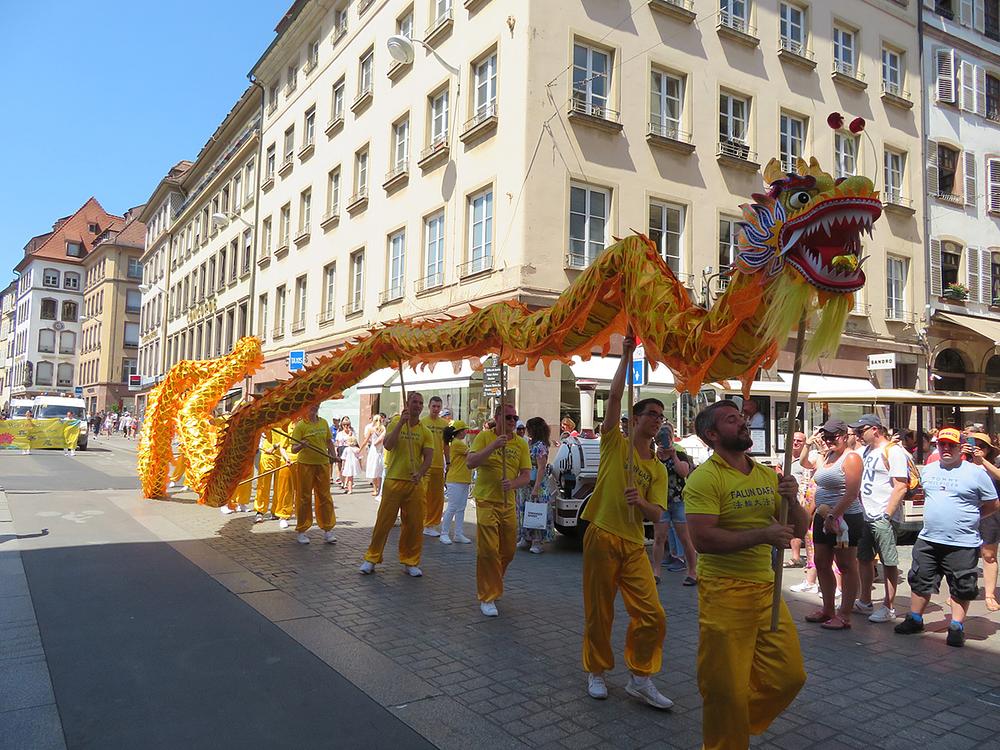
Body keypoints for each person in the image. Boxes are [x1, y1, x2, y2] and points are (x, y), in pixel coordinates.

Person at [684, 400, 808, 749]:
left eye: (742, 418)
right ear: (712, 434)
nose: (742, 423)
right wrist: (762, 535)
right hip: (722, 592)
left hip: (766, 589)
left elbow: (799, 527)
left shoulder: (768, 474)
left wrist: (794, 500)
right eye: (731, 420)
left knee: (789, 677)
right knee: (724, 688)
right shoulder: (704, 478)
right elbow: (703, 540)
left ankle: (738, 718)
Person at [581, 337, 672, 710]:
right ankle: (596, 670)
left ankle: (640, 677)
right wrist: (625, 356)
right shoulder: (613, 445)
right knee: (599, 611)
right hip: (601, 533)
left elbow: (659, 515)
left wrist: (644, 502)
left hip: (634, 543)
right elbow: (615, 397)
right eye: (651, 414)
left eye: (661, 416)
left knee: (652, 615)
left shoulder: (658, 468)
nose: (657, 420)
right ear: (636, 419)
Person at [895, 428, 999, 646]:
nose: (946, 448)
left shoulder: (976, 472)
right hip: (929, 538)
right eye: (942, 444)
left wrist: (973, 517)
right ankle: (915, 619)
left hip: (962, 541)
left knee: (962, 584)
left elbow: (993, 503)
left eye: (951, 445)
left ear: (961, 447)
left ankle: (956, 626)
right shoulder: (930, 469)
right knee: (920, 579)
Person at [467, 401, 532, 616]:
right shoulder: (484, 437)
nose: (512, 421)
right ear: (497, 418)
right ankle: (487, 595)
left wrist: (512, 484)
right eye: (508, 417)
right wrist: (493, 446)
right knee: (487, 551)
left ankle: (494, 580)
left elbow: (525, 475)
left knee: (508, 551)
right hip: (486, 500)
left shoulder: (521, 444)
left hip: (507, 503)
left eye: (514, 417)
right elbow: (471, 462)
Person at [360, 392, 433, 576]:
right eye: (414, 402)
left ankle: (410, 561)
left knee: (414, 525)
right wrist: (401, 423)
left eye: (420, 403)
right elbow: (388, 445)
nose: (417, 405)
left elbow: (428, 457)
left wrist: (421, 473)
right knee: (384, 522)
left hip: (414, 483)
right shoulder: (395, 422)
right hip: (393, 480)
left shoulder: (425, 431)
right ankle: (372, 558)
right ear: (408, 404)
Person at [802, 419, 863, 630]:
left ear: (844, 436)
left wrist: (833, 517)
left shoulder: (852, 458)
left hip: (845, 519)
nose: (828, 441)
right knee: (821, 561)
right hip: (823, 516)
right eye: (825, 437)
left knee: (846, 566)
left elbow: (852, 494)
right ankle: (827, 608)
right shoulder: (827, 456)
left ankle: (844, 614)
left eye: (833, 437)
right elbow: (813, 478)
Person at [851, 414, 908, 624]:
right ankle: (865, 600)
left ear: (875, 429)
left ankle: (888, 606)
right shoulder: (864, 451)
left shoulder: (893, 451)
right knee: (864, 558)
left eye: (861, 430)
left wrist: (886, 515)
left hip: (883, 515)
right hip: (865, 514)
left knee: (888, 561)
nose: (858, 434)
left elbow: (901, 485)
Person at [651, 423, 697, 586]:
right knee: (659, 538)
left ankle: (692, 572)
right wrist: (658, 456)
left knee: (685, 538)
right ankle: (656, 572)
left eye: (667, 439)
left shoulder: (679, 454)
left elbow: (683, 472)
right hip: (661, 503)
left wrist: (673, 456)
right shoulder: (653, 457)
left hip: (678, 501)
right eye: (660, 440)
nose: (664, 443)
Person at [290, 404, 337, 545]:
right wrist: (301, 445)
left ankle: (328, 529)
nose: (314, 407)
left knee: (325, 496)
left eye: (316, 405)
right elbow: (293, 449)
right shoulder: (300, 426)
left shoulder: (323, 422)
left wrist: (333, 456)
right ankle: (302, 530)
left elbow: (329, 442)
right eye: (312, 405)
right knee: (304, 497)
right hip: (305, 465)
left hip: (322, 463)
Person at [967, 433, 1000, 612]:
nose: (978, 448)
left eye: (983, 446)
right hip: (967, 512)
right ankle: (959, 591)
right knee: (964, 553)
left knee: (989, 554)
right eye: (975, 445)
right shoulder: (963, 463)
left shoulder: (993, 464)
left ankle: (989, 594)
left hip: (990, 514)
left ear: (989, 450)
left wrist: (982, 462)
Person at [515, 417, 556, 554]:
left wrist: (536, 487)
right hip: (526, 483)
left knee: (536, 511)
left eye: (528, 428)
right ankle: (525, 537)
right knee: (525, 510)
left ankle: (536, 541)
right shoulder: (529, 443)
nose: (526, 431)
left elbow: (541, 468)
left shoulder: (540, 446)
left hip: (537, 484)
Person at [254, 421, 295, 526]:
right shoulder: (270, 415)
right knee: (263, 483)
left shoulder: (290, 419)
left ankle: (276, 510)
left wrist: (276, 446)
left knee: (280, 486)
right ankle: (260, 511)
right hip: (268, 452)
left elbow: (291, 437)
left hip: (282, 454)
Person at [440, 421, 472, 544]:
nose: (466, 432)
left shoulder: (458, 443)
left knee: (461, 508)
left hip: (462, 479)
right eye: (464, 430)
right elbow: (472, 454)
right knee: (453, 507)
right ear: (459, 431)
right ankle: (444, 533)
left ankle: (458, 534)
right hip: (455, 480)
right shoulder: (458, 443)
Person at [421, 396, 449, 537]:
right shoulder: (422, 423)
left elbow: (446, 445)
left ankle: (431, 524)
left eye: (438, 406)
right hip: (424, 465)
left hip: (439, 464)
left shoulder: (444, 424)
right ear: (429, 406)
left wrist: (448, 462)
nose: (436, 409)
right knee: (423, 495)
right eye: (434, 406)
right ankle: (422, 522)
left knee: (438, 497)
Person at [362, 414, 386, 497]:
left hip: (374, 450)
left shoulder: (371, 429)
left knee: (374, 469)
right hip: (381, 450)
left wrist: (360, 449)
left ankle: (375, 489)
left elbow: (366, 440)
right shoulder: (384, 429)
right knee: (380, 470)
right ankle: (380, 489)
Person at [337, 419, 361, 494]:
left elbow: (354, 441)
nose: (346, 426)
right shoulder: (340, 433)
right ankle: (343, 482)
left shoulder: (352, 433)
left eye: (348, 425)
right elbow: (338, 442)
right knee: (341, 467)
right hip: (342, 449)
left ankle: (347, 484)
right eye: (344, 425)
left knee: (348, 470)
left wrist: (350, 435)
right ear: (342, 425)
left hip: (350, 450)